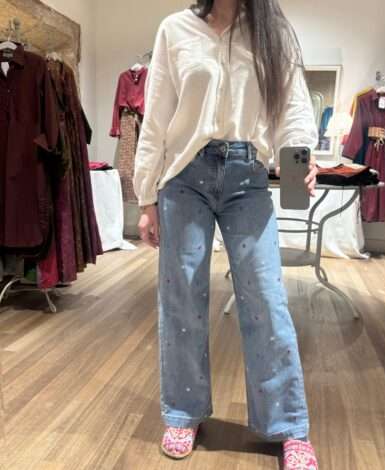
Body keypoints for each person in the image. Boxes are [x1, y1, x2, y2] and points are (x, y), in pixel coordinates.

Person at [133, 0, 319, 468]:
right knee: (181, 299)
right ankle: (183, 411)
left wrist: (297, 160)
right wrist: (146, 197)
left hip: (247, 175)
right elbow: (157, 114)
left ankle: (289, 426)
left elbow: (294, 106)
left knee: (266, 299)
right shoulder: (176, 28)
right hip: (183, 178)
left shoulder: (272, 31)